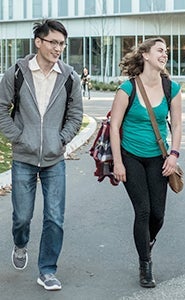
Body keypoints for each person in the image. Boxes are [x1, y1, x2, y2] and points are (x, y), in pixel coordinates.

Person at [0, 19, 83, 291]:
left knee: (55, 217)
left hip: (54, 159)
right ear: (38, 42)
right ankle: (20, 243)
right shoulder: (17, 72)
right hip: (24, 157)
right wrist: (18, 136)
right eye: (53, 42)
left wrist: (61, 139)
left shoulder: (69, 77)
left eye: (62, 44)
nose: (58, 48)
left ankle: (47, 270)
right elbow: (1, 108)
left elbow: (75, 115)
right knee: (22, 215)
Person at [110, 37, 182, 288]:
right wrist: (117, 163)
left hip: (158, 157)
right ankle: (145, 264)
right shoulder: (127, 89)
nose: (165, 55)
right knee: (143, 210)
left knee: (158, 215)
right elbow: (115, 127)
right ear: (146, 56)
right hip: (130, 156)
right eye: (160, 50)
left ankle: (146, 241)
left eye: (166, 51)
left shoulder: (171, 88)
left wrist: (174, 155)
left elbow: (178, 124)